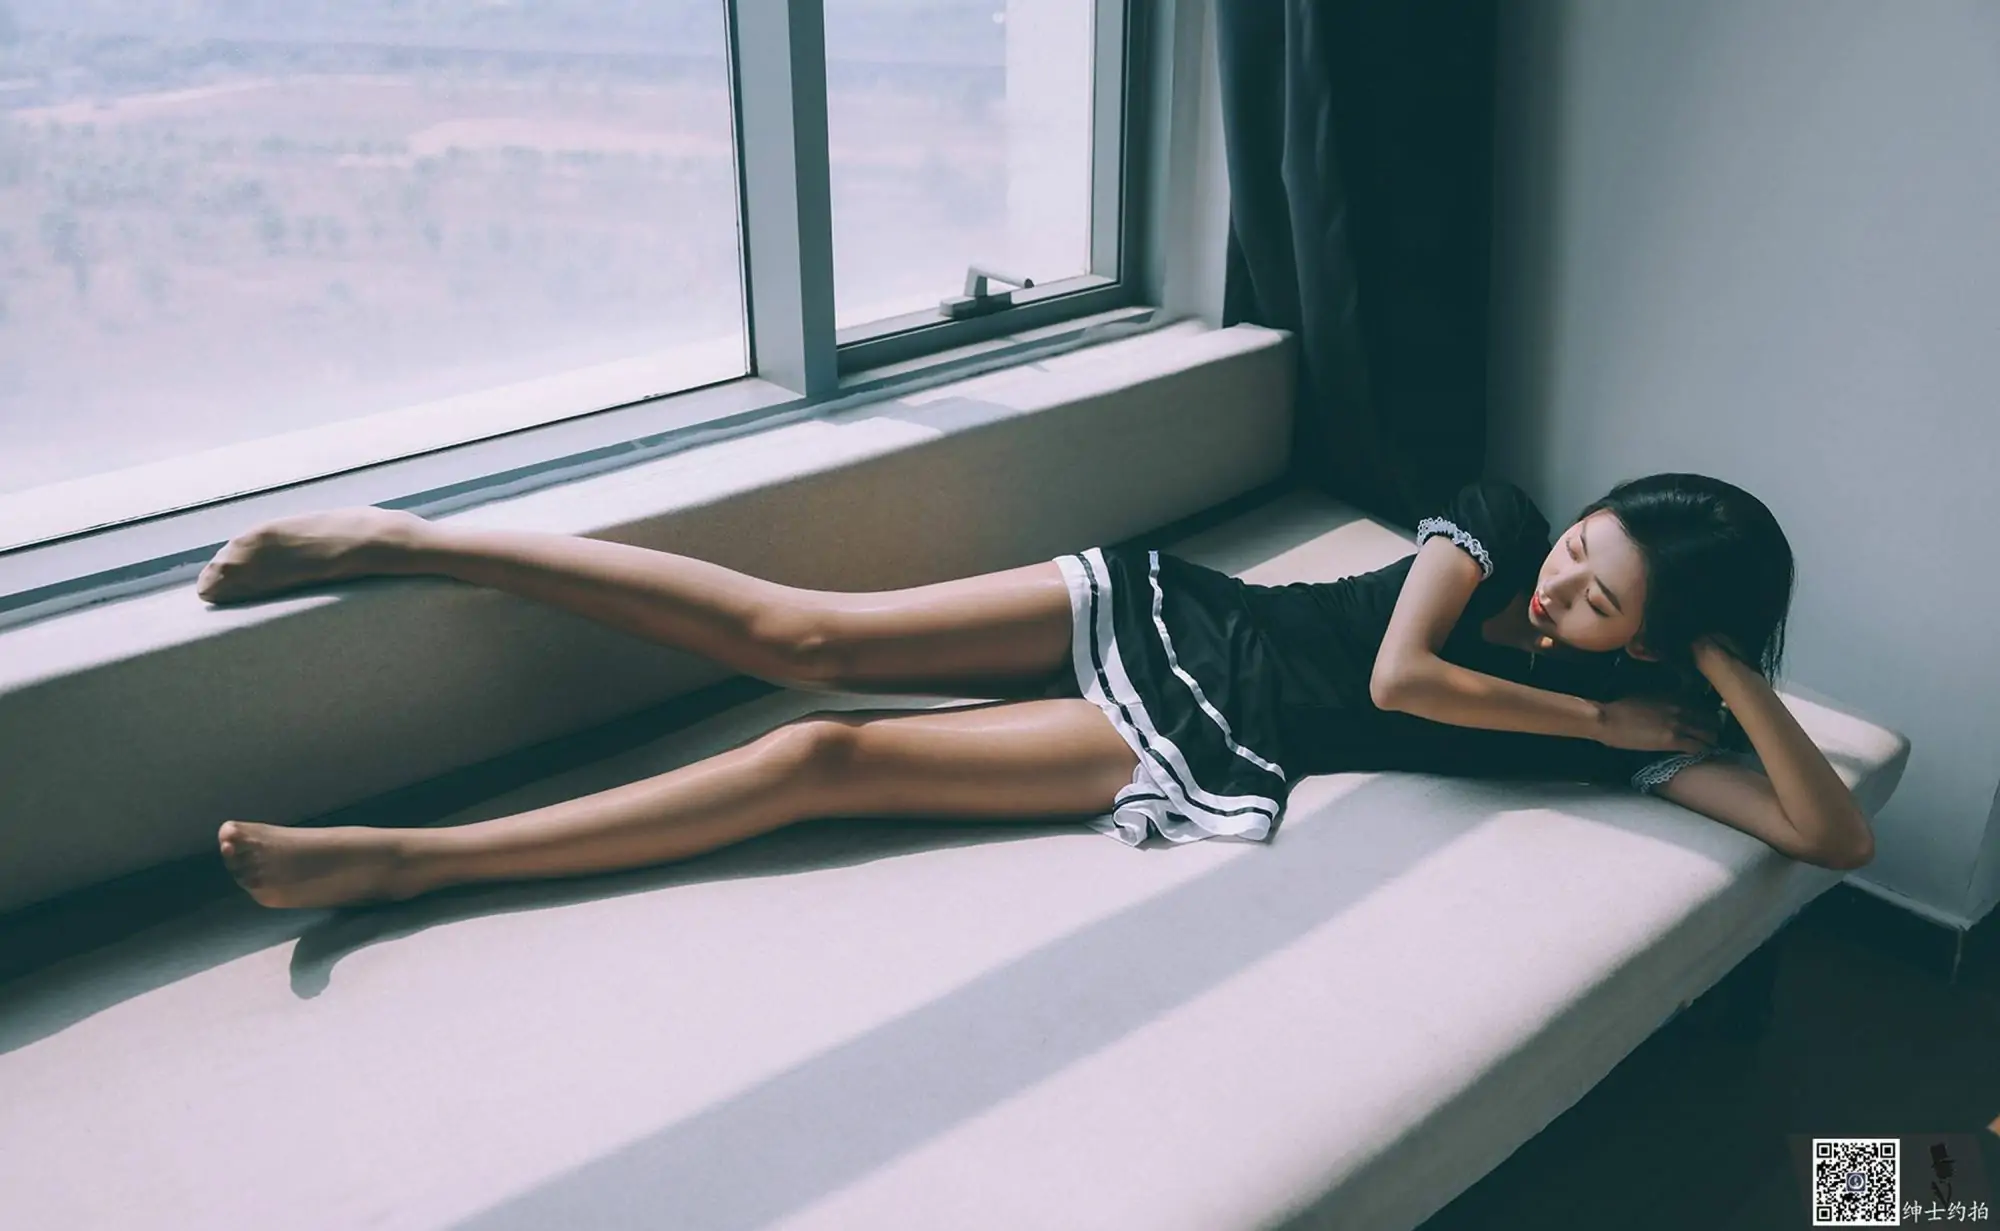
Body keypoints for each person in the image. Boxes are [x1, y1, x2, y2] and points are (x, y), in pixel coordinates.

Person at [196, 474, 1875, 910]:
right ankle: (412, 539)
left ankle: (405, 861)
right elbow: (1401, 677)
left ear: (1656, 641)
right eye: (1585, 547)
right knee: (810, 636)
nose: (1562, 582)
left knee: (824, 756)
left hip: (1212, 737)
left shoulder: (1648, 716)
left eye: (1603, 600)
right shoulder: (1495, 525)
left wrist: (1722, 674)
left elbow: (1831, 837)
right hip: (1174, 607)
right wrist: (1597, 709)